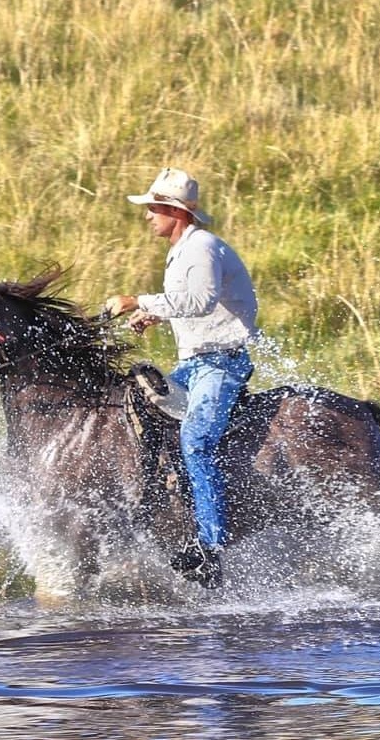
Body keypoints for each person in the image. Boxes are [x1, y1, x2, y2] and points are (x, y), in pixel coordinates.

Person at [105, 167, 258, 589]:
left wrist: (137, 299)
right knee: (145, 414)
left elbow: (201, 302)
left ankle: (212, 547)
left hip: (220, 365)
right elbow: (187, 303)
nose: (148, 216)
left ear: (175, 212)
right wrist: (152, 313)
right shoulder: (183, 249)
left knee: (196, 441)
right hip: (197, 363)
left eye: (154, 208)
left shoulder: (201, 246)